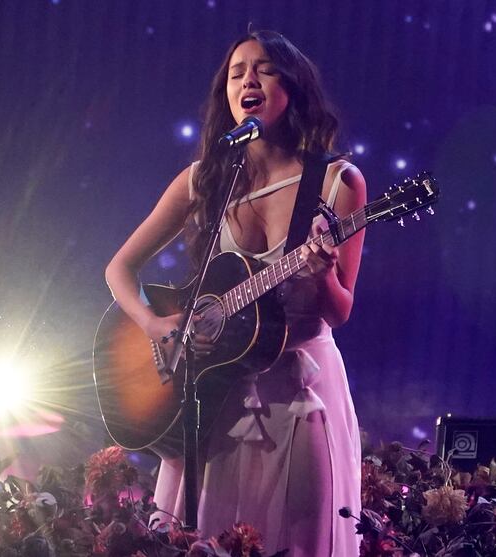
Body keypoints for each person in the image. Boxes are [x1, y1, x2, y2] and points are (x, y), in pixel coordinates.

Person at [105, 29, 366, 556]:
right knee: (202, 535)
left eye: (264, 68)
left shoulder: (338, 182)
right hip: (213, 391)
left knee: (294, 537)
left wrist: (321, 275)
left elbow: (340, 311)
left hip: (298, 393)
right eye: (236, 71)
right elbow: (120, 268)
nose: (248, 79)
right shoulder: (205, 178)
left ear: (292, 87)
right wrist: (156, 325)